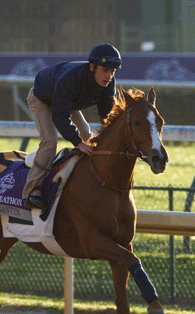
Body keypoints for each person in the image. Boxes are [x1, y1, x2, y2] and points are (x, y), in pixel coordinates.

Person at [22, 43, 122, 210]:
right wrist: (78, 143)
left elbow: (107, 116)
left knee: (89, 138)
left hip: (67, 101)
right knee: (50, 141)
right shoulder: (70, 79)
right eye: (105, 70)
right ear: (92, 67)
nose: (109, 76)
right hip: (41, 99)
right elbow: (60, 116)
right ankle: (31, 192)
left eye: (112, 71)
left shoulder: (108, 83)